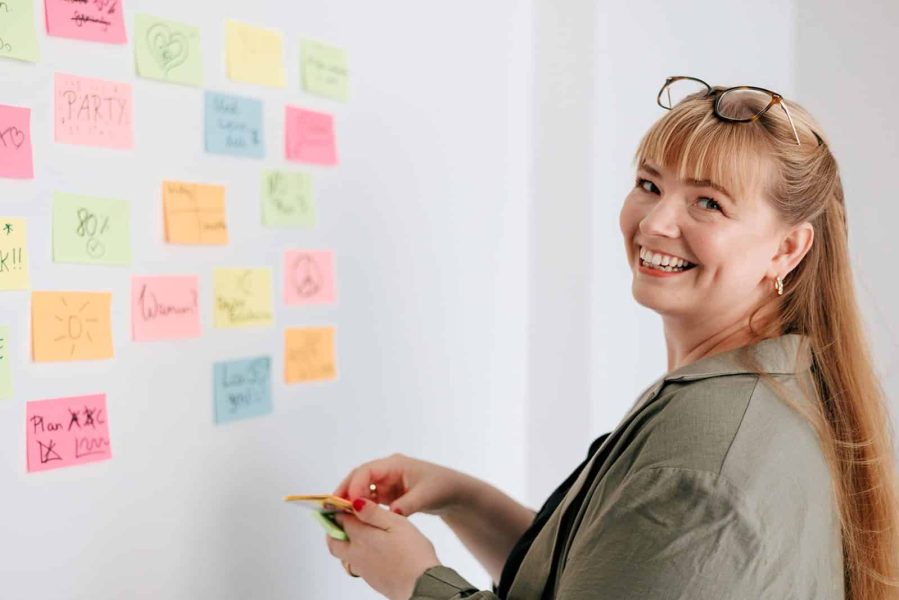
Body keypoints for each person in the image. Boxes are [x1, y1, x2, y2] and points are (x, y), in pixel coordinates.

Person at [323, 76, 899, 600]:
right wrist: (460, 497)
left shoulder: (702, 462)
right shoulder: (763, 383)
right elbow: (609, 572)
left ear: (787, 249)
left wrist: (413, 579)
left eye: (708, 202)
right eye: (649, 184)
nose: (654, 223)